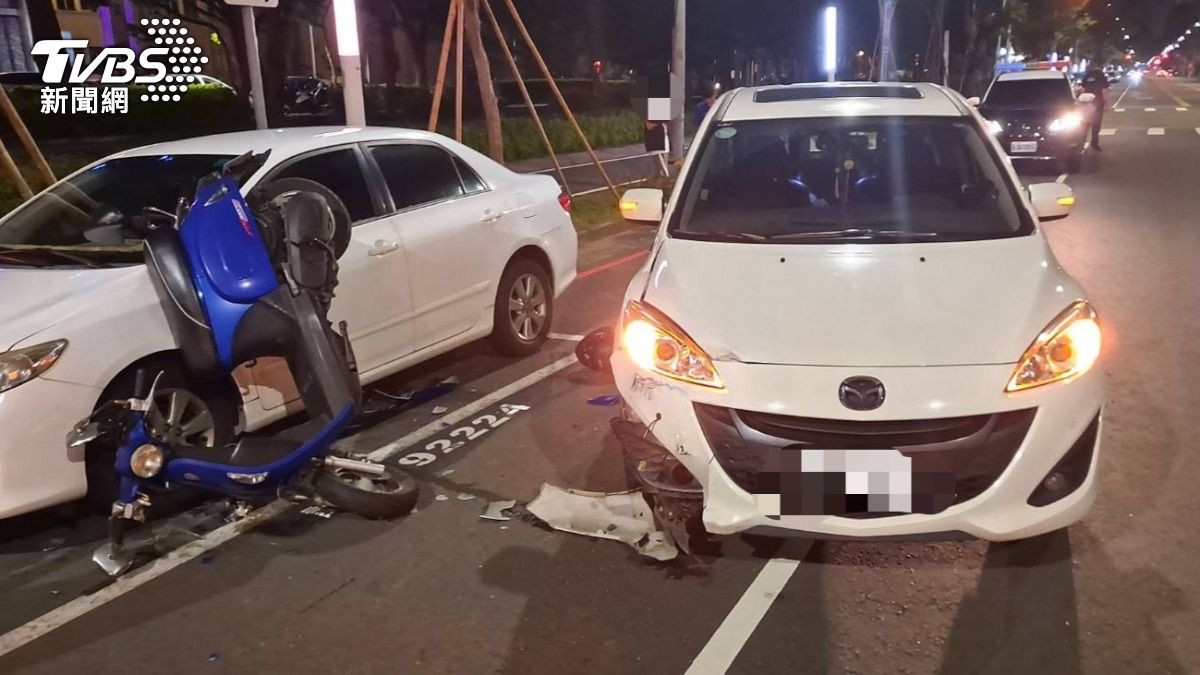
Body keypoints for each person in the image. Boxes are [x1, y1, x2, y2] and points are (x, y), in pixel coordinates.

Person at [1080, 66, 1111, 151]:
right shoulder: (1101, 76)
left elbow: (1083, 89)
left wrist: (1082, 101)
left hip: (1087, 103)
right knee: (1096, 124)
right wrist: (1107, 103)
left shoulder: (1087, 75)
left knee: (1085, 124)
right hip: (1097, 102)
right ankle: (1094, 143)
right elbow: (1104, 90)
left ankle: (1081, 143)